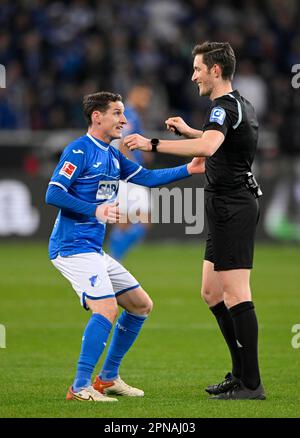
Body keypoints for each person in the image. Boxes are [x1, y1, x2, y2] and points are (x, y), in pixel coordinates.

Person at [124, 42, 265, 400]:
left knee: (236, 293)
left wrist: (151, 144)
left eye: (198, 68)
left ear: (215, 70)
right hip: (222, 205)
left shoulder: (222, 108)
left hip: (234, 205)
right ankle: (239, 373)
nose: (193, 76)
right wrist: (188, 132)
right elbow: (217, 142)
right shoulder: (236, 106)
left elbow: (208, 149)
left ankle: (251, 382)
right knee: (211, 292)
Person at [45, 91, 204, 402]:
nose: (124, 119)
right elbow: (53, 194)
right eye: (117, 113)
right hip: (71, 247)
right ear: (97, 117)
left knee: (141, 305)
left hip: (92, 249)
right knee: (106, 308)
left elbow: (145, 177)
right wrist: (95, 210)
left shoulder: (111, 153)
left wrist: (189, 169)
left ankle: (107, 379)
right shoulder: (79, 150)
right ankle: (79, 387)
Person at [108, 84, 153, 261]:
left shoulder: (129, 115)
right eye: (145, 98)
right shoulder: (130, 115)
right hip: (130, 176)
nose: (147, 103)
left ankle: (114, 259)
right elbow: (122, 143)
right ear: (135, 95)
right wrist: (133, 166)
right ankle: (114, 258)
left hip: (123, 175)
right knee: (141, 220)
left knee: (126, 221)